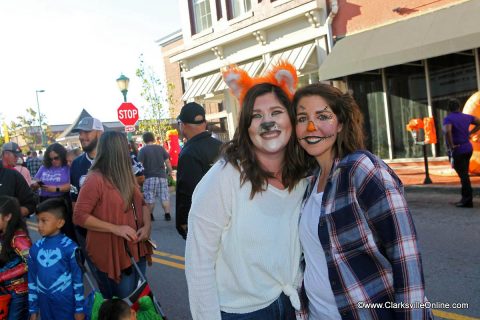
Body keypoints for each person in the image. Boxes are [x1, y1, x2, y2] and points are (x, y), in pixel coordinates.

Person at [293, 83, 432, 320]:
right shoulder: (308, 184)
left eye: (323, 116)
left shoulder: (361, 169)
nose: (311, 127)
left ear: (341, 124)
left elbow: (404, 252)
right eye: (302, 118)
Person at [185, 62, 309, 320]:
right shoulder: (223, 179)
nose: (268, 122)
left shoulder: (302, 177)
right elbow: (199, 265)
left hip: (290, 305)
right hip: (241, 314)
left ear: (291, 119)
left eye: (276, 112)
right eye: (256, 116)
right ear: (245, 125)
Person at [73, 131, 153, 299]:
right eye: (125, 147)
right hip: (116, 253)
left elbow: (142, 204)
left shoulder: (126, 174)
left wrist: (147, 227)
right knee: (123, 305)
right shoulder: (95, 178)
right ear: (116, 150)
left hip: (137, 248)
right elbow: (79, 215)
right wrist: (115, 228)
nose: (129, 151)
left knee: (138, 300)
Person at [28, 198, 85, 320]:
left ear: (60, 223)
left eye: (44, 221)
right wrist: (33, 308)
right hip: (45, 306)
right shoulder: (35, 249)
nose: (39, 225)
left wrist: (79, 308)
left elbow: (77, 279)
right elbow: (32, 279)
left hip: (66, 305)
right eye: (38, 221)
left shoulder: (70, 248)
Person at [175, 102, 222, 239]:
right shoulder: (223, 147)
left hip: (202, 223)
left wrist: (183, 222)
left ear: (183, 125)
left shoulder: (189, 153)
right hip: (225, 216)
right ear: (205, 123)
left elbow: (187, 191)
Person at [32, 143, 76, 242]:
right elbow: (36, 179)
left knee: (66, 230)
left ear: (62, 155)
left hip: (61, 201)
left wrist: (56, 188)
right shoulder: (44, 167)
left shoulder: (67, 166)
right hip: (44, 201)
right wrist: (35, 184)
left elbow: (72, 184)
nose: (53, 161)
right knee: (47, 231)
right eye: (50, 159)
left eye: (56, 158)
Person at [443, 98, 480, 208]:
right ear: (459, 107)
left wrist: (451, 145)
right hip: (468, 149)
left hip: (457, 150)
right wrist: (470, 132)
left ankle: (467, 201)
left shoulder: (448, 119)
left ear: (449, 108)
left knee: (463, 176)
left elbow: (448, 131)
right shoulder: (467, 117)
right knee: (464, 174)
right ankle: (465, 199)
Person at [0, 196, 32, 320]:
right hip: (7, 290)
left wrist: (2, 275)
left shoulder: (19, 237)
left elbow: (31, 262)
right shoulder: (4, 233)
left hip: (19, 292)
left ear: (8, 217)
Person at [138, 132, 173, 221]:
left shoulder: (143, 150)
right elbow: (167, 162)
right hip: (162, 176)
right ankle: (167, 214)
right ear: (153, 138)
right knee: (164, 195)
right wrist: (170, 171)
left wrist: (139, 178)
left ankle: (150, 215)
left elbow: (140, 165)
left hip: (149, 177)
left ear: (144, 140)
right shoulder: (160, 148)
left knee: (150, 197)